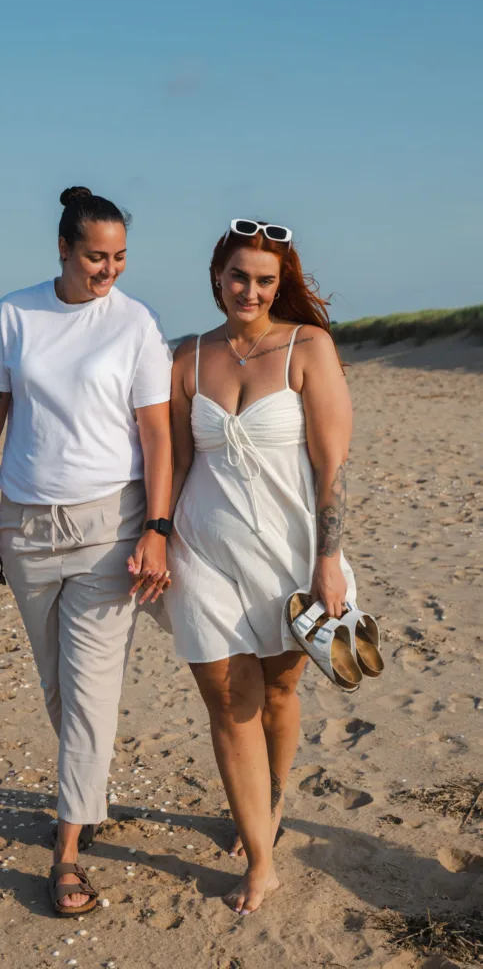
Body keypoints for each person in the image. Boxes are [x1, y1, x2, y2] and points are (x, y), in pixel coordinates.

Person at [0, 187, 173, 914]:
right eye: (93, 256)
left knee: (89, 696)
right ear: (62, 249)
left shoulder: (136, 323)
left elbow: (156, 436)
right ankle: (85, 790)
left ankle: (68, 849)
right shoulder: (14, 314)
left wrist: (158, 527)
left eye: (117, 257)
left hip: (110, 528)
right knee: (59, 689)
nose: (107, 270)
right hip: (24, 529)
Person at [164, 218, 356, 915]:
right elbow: (175, 463)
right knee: (228, 701)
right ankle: (262, 860)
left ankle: (268, 810)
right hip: (202, 553)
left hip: (289, 555)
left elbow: (331, 467)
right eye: (238, 276)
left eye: (264, 280)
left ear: (281, 286)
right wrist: (156, 535)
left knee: (277, 695)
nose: (249, 289)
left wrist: (327, 562)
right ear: (216, 277)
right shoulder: (185, 356)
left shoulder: (308, 347)